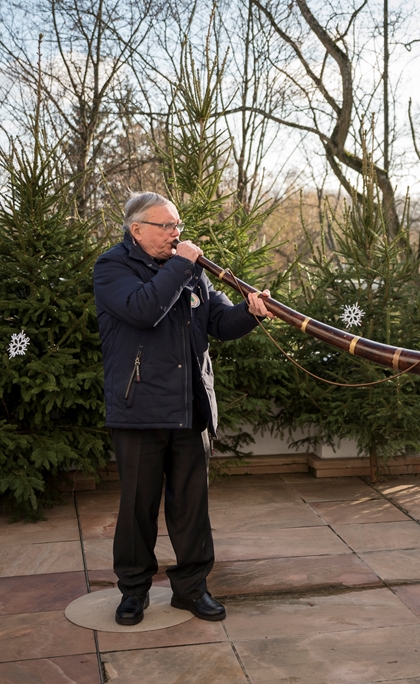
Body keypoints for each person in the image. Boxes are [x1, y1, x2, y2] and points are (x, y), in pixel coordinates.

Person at [93, 192, 273, 625]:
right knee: (137, 508)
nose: (176, 234)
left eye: (178, 226)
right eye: (167, 226)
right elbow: (143, 310)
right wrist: (182, 266)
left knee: (191, 508)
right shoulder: (113, 266)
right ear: (137, 230)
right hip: (139, 410)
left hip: (190, 410)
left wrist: (251, 312)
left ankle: (192, 589)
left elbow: (220, 323)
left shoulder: (189, 272)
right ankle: (133, 591)